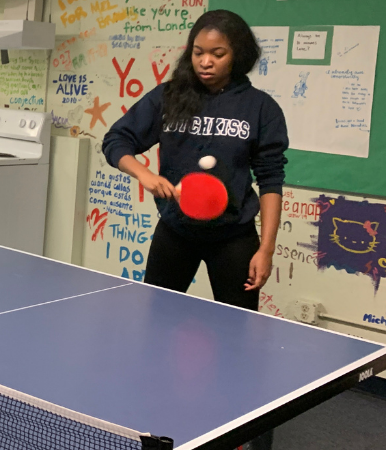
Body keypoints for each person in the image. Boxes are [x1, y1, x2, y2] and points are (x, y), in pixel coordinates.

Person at [102, 10, 288, 449]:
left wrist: (266, 247)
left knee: (239, 342)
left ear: (237, 55)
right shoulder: (169, 97)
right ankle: (153, 420)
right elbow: (117, 140)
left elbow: (272, 179)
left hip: (234, 239)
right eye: (199, 52)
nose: (206, 61)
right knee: (157, 332)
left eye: (218, 54)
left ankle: (243, 431)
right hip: (176, 233)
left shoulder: (260, 107)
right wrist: (144, 175)